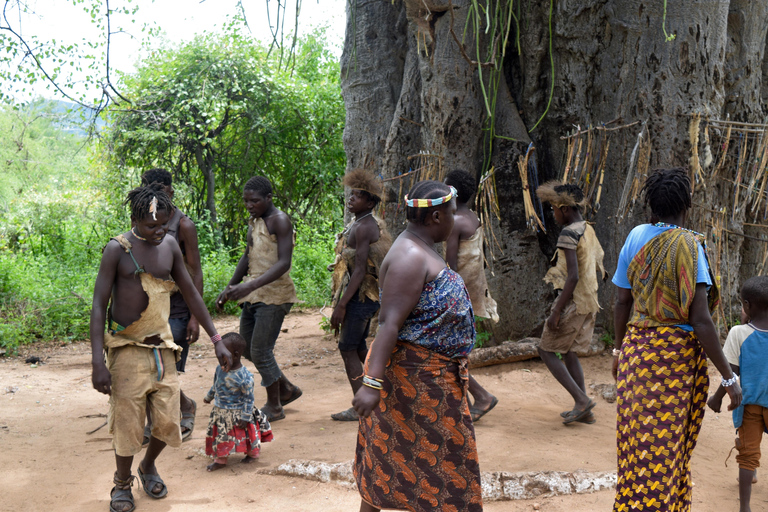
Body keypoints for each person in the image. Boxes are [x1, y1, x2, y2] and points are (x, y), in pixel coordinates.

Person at [90, 183, 232, 512]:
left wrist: (216, 339)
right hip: (126, 348)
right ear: (134, 220)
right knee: (128, 423)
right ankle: (122, 483)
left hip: (162, 348)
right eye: (150, 225)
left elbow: (191, 293)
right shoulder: (117, 250)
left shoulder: (170, 245)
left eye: (163, 224)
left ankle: (148, 466)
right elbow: (99, 305)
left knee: (168, 422)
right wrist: (98, 362)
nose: (159, 231)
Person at [612, 167, 741, 512]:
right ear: (687, 205)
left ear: (651, 207)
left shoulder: (636, 236)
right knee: (666, 452)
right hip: (674, 362)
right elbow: (700, 320)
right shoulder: (689, 246)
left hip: (636, 353)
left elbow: (622, 302)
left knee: (637, 449)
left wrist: (618, 350)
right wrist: (729, 378)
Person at [352, 180, 483, 512]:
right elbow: (388, 323)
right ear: (437, 217)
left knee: (390, 460)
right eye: (453, 214)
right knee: (448, 470)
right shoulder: (410, 256)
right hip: (416, 382)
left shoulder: (420, 248)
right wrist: (371, 384)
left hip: (430, 380)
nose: (456, 220)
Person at [216, 176, 302, 422]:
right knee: (248, 349)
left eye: (254, 200)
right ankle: (285, 389)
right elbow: (247, 255)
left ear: (268, 198)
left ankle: (274, 406)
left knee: (261, 350)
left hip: (275, 295)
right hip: (254, 294)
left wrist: (248, 285)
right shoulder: (254, 222)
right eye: (245, 201)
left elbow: (284, 263)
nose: (249, 205)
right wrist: (231, 286)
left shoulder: (280, 221)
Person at [535, 181, 605, 425]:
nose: (553, 214)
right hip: (589, 301)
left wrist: (556, 310)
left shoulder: (568, 233)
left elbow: (572, 275)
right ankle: (584, 406)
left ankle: (581, 400)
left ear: (564, 208)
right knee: (569, 352)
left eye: (554, 209)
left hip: (574, 303)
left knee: (546, 349)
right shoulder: (587, 228)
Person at [140, 169, 202, 442]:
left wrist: (195, 317)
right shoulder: (143, 220)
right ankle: (161, 420)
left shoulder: (183, 225)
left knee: (165, 366)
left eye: (158, 188)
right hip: (149, 308)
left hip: (177, 308)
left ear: (170, 190)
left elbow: (195, 272)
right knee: (148, 365)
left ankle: (182, 409)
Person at [328, 169, 392, 421]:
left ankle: (361, 407)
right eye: (351, 194)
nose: (351, 199)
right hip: (366, 297)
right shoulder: (364, 222)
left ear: (370, 202)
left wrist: (342, 305)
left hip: (362, 298)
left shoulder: (365, 227)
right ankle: (378, 396)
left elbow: (360, 271)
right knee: (359, 346)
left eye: (357, 196)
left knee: (347, 348)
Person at [708, 276, 768, 512]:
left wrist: (716, 398)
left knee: (748, 455)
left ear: (746, 305)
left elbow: (731, 373)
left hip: (750, 405)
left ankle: (745, 508)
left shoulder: (738, 333)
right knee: (749, 449)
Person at [444, 169, 499, 422]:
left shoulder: (454, 221)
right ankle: (463, 402)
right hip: (471, 291)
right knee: (452, 349)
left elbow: (451, 264)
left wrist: (444, 295)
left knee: (449, 350)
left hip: (458, 293)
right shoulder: (472, 216)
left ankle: (482, 396)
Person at [204, 332, 274, 472]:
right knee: (221, 435)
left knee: (246, 435)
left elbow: (249, 398)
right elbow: (216, 385)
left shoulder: (245, 376)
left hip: (239, 412)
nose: (219, 356)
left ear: (235, 355)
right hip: (221, 411)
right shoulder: (220, 369)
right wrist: (209, 396)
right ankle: (221, 459)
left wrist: (246, 416)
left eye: (223, 353)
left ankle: (252, 454)